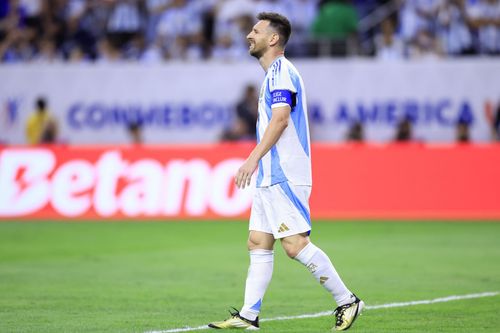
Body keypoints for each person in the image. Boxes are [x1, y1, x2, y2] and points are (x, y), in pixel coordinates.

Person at [208, 12, 364, 331]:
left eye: (256, 31)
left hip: (284, 173)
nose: (249, 35)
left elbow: (280, 120)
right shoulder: (272, 75)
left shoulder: (281, 71)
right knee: (258, 242)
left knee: (294, 245)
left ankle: (348, 300)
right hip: (269, 176)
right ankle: (249, 316)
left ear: (273, 39)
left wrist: (252, 158)